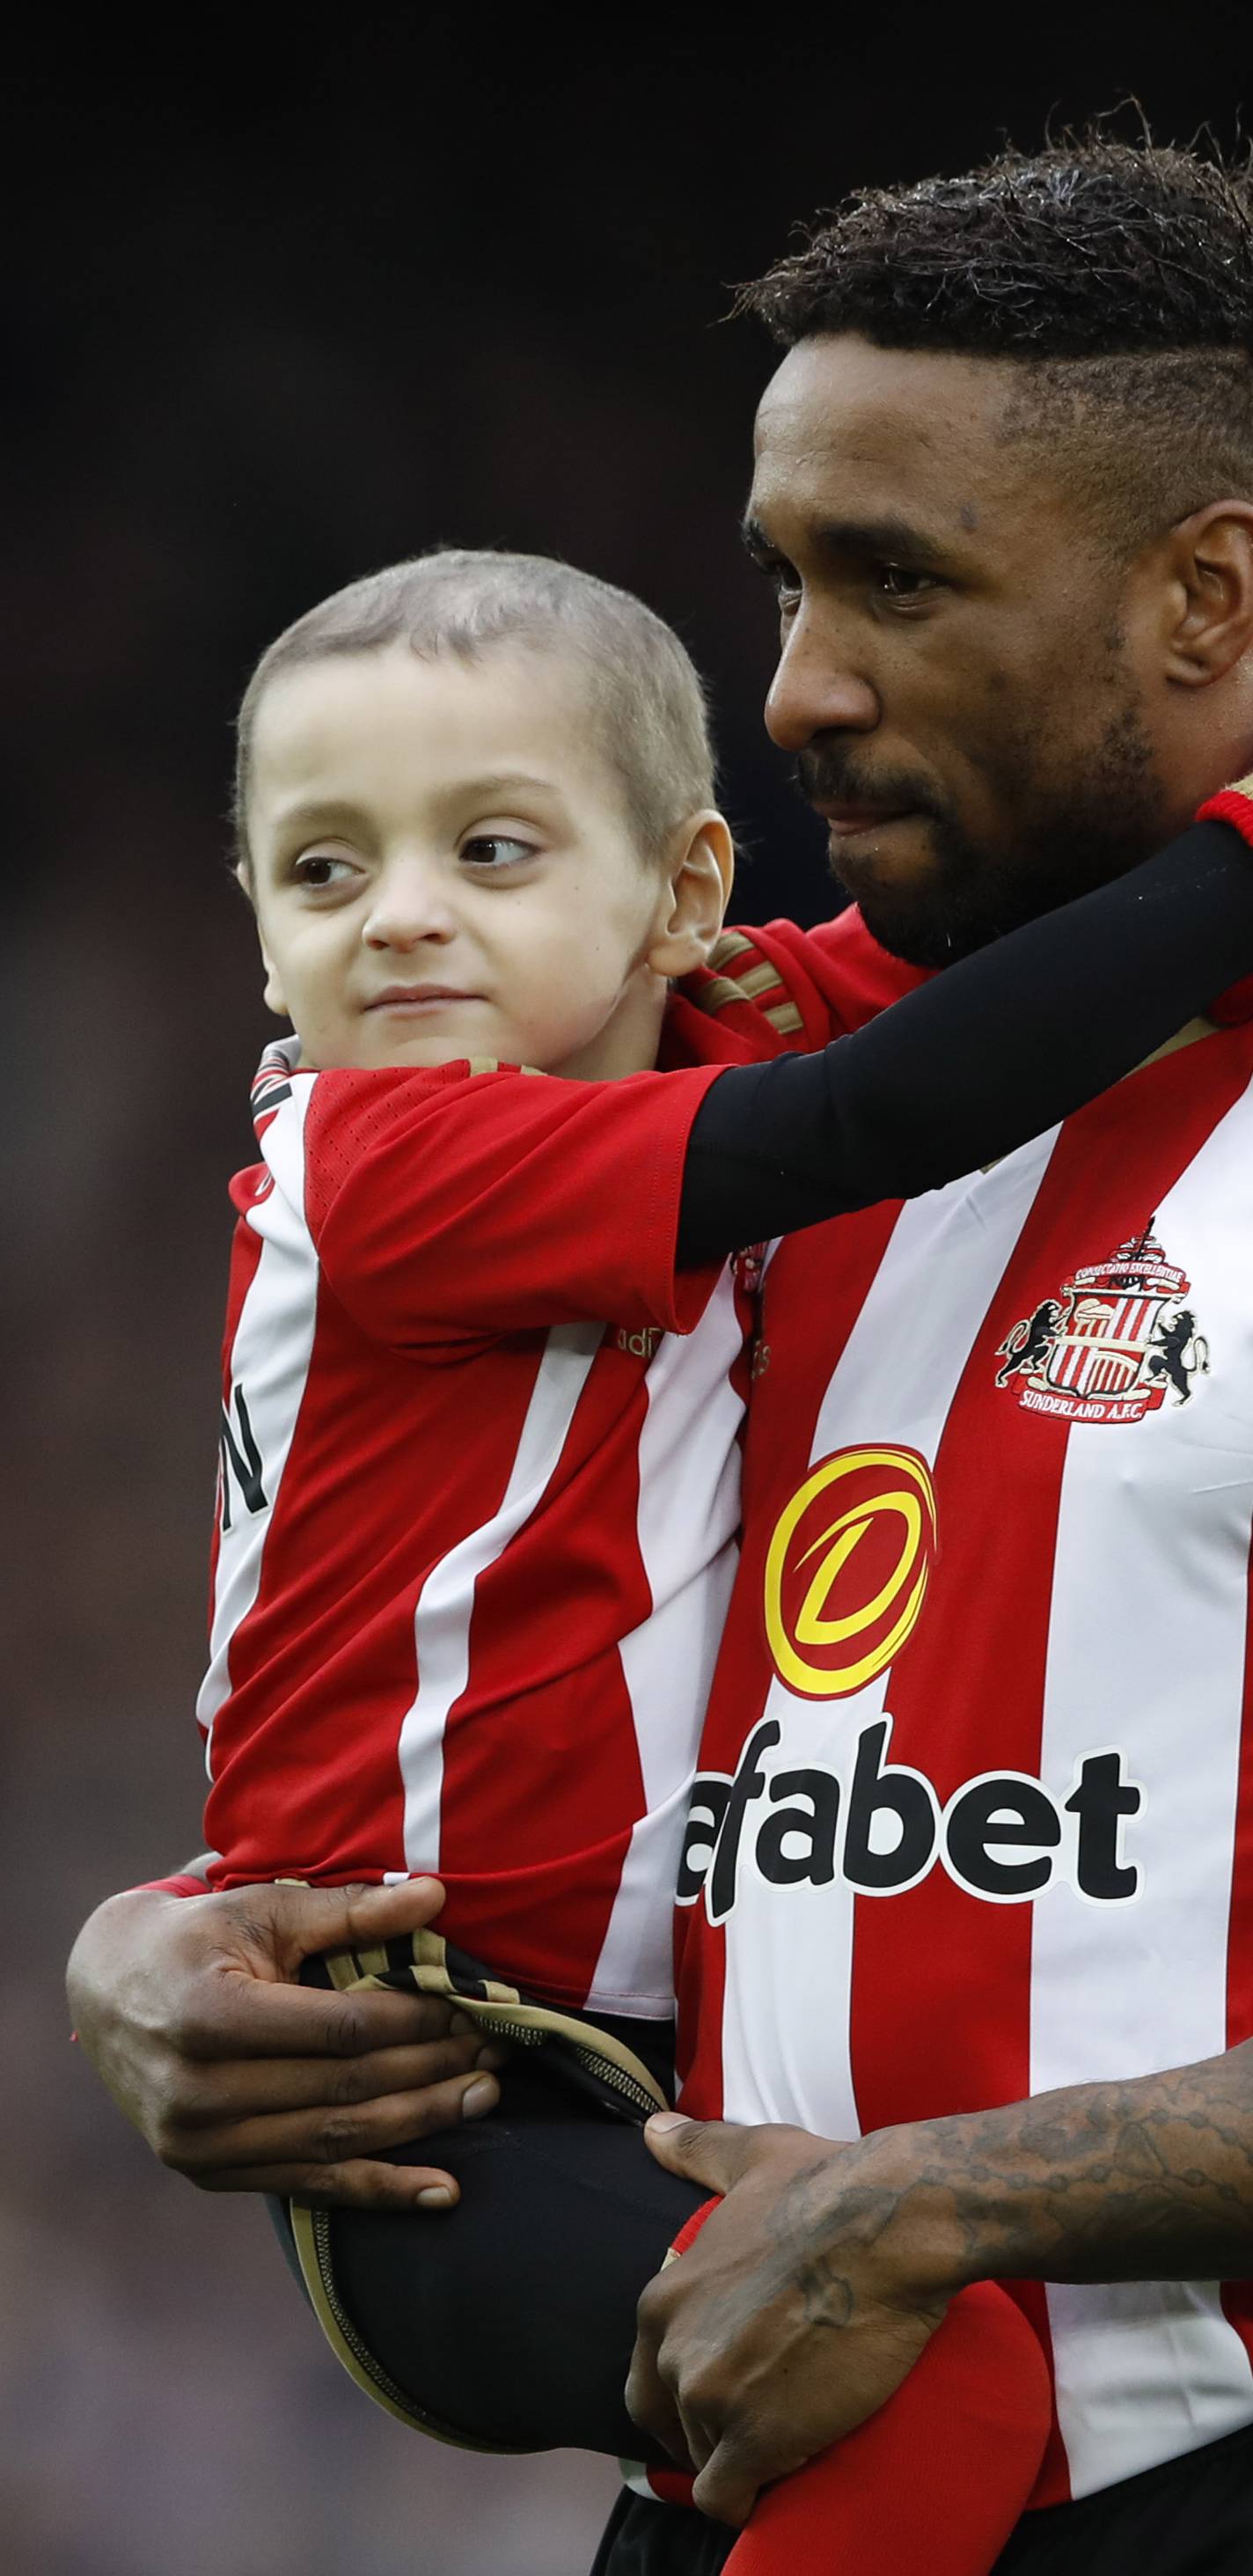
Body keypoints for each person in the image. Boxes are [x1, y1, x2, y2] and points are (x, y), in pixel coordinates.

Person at [77, 496, 1253, 2571]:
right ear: (255, 931)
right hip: (465, 2088)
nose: (405, 921)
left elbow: (898, 1004)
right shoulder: (391, 1149)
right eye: (324, 871)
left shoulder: (649, 1056)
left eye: (493, 850)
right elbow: (880, 1113)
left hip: (571, 2063)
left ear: (686, 894)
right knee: (937, 2370)